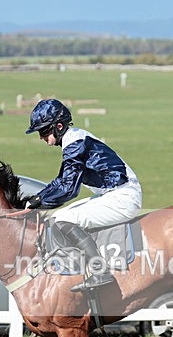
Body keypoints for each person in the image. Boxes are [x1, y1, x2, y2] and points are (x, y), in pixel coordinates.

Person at [25, 98, 142, 292]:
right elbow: (61, 180)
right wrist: (38, 198)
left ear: (59, 126)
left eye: (44, 132)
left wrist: (40, 202)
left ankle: (99, 270)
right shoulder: (73, 140)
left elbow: (69, 189)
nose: (41, 137)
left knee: (63, 219)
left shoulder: (75, 143)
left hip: (123, 198)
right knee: (57, 217)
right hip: (114, 194)